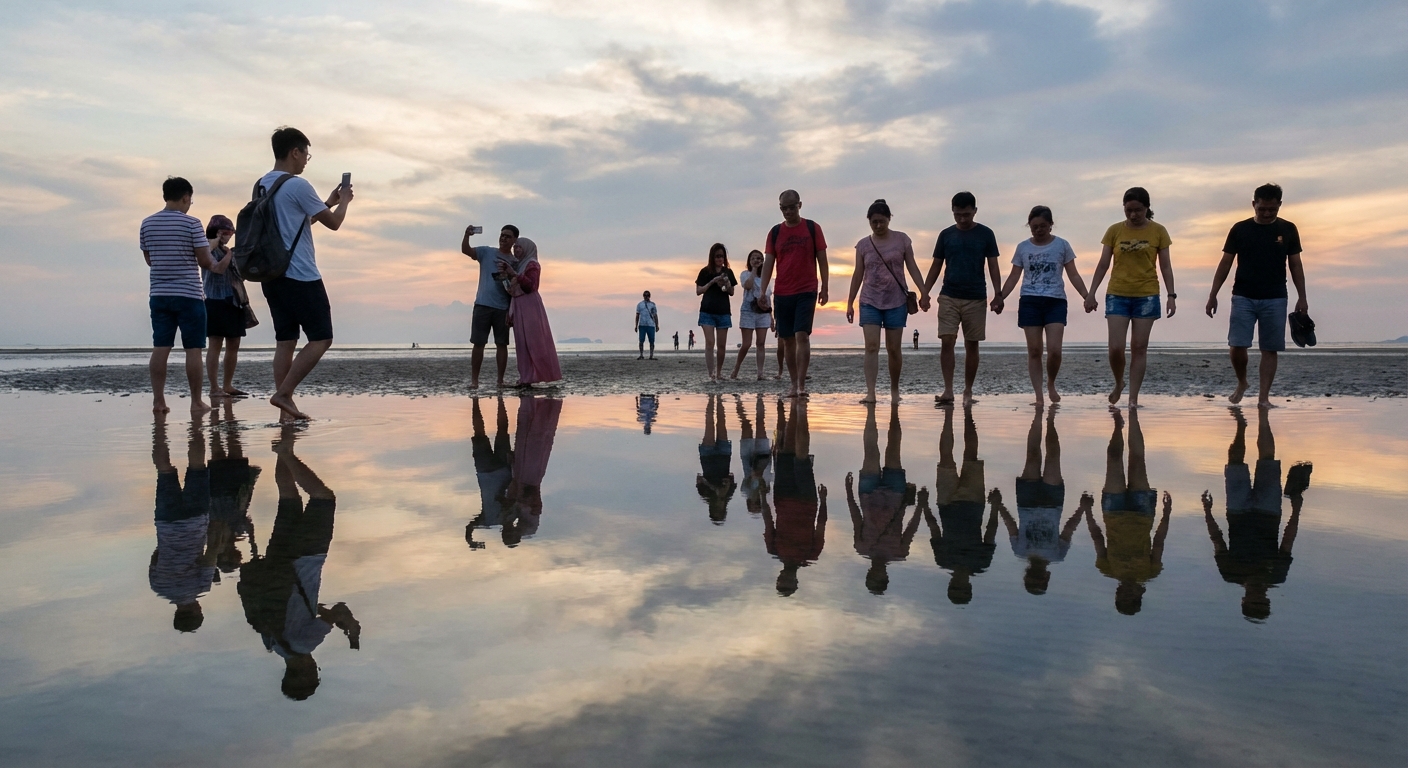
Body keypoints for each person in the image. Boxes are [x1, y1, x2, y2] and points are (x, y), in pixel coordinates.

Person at [238, 426, 359, 700]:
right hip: (278, 563)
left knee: (324, 499)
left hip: (305, 558)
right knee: (288, 498)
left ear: (308, 672)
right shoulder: (272, 642)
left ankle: (286, 453)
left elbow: (338, 610)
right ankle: (285, 437)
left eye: (314, 673)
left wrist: (351, 628)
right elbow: (304, 608)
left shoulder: (305, 644)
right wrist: (329, 617)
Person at [255, 127, 353, 421]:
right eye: (306, 154)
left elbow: (299, 222)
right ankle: (284, 394)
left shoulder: (262, 185)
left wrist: (329, 201)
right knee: (322, 338)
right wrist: (345, 201)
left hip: (271, 274)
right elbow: (334, 224)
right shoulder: (298, 185)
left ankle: (286, 411)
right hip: (300, 274)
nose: (307, 160)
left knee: (285, 341)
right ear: (294, 152)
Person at [1205, 183, 1309, 408]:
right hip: (1243, 295)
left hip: (1275, 296)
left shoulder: (1288, 229)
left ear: (1279, 205)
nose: (1267, 213)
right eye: (1262, 208)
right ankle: (1242, 382)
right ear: (1254, 204)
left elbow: (1296, 265)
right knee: (1237, 345)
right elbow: (1225, 263)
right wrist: (1213, 294)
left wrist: (1302, 297)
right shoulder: (1240, 229)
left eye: (1272, 209)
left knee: (1269, 348)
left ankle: (1264, 398)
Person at [1203, 408, 1310, 621]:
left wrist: (1207, 512)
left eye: (1254, 601)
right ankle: (1263, 418)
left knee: (1234, 461)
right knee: (1267, 459)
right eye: (1263, 601)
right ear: (1268, 600)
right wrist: (1296, 511)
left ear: (1244, 600)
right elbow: (1288, 541)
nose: (1258, 596)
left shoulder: (1230, 573)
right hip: (1269, 511)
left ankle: (1241, 427)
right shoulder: (1277, 575)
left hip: (1237, 510)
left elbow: (1217, 540)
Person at [1083, 187, 1178, 408]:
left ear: (1147, 208)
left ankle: (1133, 398)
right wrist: (1091, 292)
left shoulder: (1159, 231)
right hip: (1117, 293)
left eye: (1138, 210)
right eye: (1129, 210)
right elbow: (1104, 263)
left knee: (1139, 347)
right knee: (1116, 348)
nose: (1133, 215)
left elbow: (1165, 266)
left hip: (1146, 295)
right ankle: (1119, 382)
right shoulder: (1114, 231)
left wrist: (1171, 295)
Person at [993, 206, 1092, 407]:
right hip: (1030, 301)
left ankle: (1051, 382)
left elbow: (1073, 274)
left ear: (1050, 225)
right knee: (1035, 350)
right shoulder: (1023, 248)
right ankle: (1038, 396)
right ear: (1029, 226)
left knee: (1054, 350)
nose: (1038, 230)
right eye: (1034, 227)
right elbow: (1014, 276)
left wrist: (1086, 295)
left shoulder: (1062, 245)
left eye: (1043, 226)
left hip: (1055, 300)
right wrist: (1000, 296)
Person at [1084, 408, 1172, 615]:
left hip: (1113, 511)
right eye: (1128, 597)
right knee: (1137, 460)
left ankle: (1117, 426)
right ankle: (1134, 418)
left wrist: (1087, 512)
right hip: (1143, 512)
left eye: (1120, 596)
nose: (1124, 592)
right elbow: (1158, 542)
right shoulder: (1151, 572)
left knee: (1114, 458)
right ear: (1138, 596)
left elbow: (1097, 538)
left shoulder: (1107, 569)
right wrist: (1166, 514)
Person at [141, 176, 216, 415]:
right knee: (193, 349)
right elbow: (204, 261)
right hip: (189, 294)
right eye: (189, 201)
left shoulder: (147, 223)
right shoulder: (192, 224)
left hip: (159, 294)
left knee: (160, 347)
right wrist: (211, 249)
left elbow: (149, 260)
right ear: (186, 197)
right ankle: (196, 401)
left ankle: (159, 402)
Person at [994, 406, 1086, 595]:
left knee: (1032, 456)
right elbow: (1068, 530)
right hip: (1053, 503)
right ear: (1046, 578)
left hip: (1027, 501)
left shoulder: (1019, 551)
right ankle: (1051, 421)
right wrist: (1082, 509)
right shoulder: (1057, 555)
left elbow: (1012, 527)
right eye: (1039, 580)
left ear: (1026, 577)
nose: (1035, 576)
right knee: (1053, 458)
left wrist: (998, 505)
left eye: (1031, 579)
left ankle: (1038, 416)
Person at [921, 191, 1003, 404]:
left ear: (975, 211)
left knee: (972, 344)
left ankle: (968, 390)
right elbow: (936, 265)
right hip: (949, 295)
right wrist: (925, 292)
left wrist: (998, 294)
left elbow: (993, 265)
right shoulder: (946, 235)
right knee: (947, 341)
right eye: (958, 215)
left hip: (976, 297)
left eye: (967, 214)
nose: (963, 219)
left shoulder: (986, 234)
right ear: (953, 212)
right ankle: (948, 390)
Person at [845, 199, 928, 404]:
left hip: (896, 300)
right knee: (871, 347)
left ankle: (894, 390)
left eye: (882, 221)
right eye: (874, 222)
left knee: (893, 348)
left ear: (889, 219)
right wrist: (849, 302)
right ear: (869, 221)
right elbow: (858, 274)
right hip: (869, 300)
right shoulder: (863, 245)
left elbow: (913, 267)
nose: (878, 226)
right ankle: (871, 392)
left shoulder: (902, 240)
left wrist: (923, 291)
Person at [758, 189, 830, 399]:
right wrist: (763, 291)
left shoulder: (812, 228)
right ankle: (792, 384)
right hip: (782, 291)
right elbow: (769, 263)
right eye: (784, 208)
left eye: (792, 207)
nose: (788, 211)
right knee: (787, 339)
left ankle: (801, 384)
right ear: (780, 208)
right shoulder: (775, 233)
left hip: (806, 289)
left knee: (802, 335)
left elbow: (822, 260)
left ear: (800, 205)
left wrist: (825, 287)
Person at [846, 403, 924, 595]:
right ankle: (894, 411)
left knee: (871, 450)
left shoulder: (861, 547)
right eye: (879, 578)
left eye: (873, 577)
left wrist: (848, 492)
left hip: (868, 495)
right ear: (886, 577)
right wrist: (921, 506)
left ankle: (871, 413)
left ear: (869, 574)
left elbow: (856, 519)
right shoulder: (900, 553)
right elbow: (911, 528)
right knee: (894, 449)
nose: (877, 574)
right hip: (896, 495)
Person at [926, 404, 999, 605]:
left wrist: (924, 506)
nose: (958, 583)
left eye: (955, 587)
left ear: (950, 585)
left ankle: (948, 417)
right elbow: (990, 532)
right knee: (971, 455)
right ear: (969, 586)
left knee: (945, 458)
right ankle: (968, 415)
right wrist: (995, 507)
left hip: (946, 502)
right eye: (962, 587)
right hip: (974, 502)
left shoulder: (943, 560)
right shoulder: (981, 563)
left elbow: (934, 530)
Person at [148, 414, 214, 632]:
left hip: (196, 521)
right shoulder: (158, 587)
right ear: (176, 612)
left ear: (197, 610)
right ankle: (159, 431)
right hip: (166, 523)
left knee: (197, 467)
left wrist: (217, 531)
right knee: (164, 471)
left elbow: (210, 555)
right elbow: (156, 556)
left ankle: (197, 426)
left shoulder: (201, 587)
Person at [765, 398, 827, 596]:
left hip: (782, 498)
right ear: (796, 582)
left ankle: (795, 408)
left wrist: (762, 497)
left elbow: (768, 521)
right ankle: (802, 411)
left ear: (778, 577)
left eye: (782, 582)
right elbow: (821, 525)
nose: (785, 579)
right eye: (788, 583)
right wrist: (823, 500)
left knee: (786, 452)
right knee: (801, 458)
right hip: (807, 501)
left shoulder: (774, 550)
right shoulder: (811, 555)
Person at [462, 224, 518, 389]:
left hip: (502, 307)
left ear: (514, 240)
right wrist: (467, 235)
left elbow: (517, 286)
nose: (503, 238)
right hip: (482, 305)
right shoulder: (487, 252)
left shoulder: (515, 262)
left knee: (502, 344)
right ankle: (474, 381)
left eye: (508, 236)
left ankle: (500, 380)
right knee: (478, 343)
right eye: (502, 235)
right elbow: (466, 250)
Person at [502, 396, 562, 545]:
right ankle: (542, 409)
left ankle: (535, 408)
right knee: (536, 444)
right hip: (530, 477)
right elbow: (532, 501)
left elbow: (513, 493)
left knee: (527, 443)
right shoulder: (530, 527)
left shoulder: (517, 518)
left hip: (522, 474)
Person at [201, 214, 247, 400]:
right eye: (226, 232)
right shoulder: (208, 248)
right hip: (215, 300)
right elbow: (217, 268)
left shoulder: (226, 250)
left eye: (231, 233)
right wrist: (229, 254)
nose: (229, 236)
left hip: (233, 301)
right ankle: (214, 386)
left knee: (234, 343)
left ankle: (227, 384)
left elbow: (238, 275)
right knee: (215, 343)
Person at [504, 238, 562, 386]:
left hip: (530, 305)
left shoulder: (532, 264)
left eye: (519, 248)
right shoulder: (518, 265)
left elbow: (531, 286)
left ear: (527, 249)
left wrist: (515, 275)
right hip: (518, 303)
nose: (516, 250)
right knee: (521, 343)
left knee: (535, 342)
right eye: (515, 248)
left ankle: (546, 374)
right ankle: (526, 377)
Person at [465, 396, 513, 550]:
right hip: (497, 470)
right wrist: (471, 541)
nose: (509, 531)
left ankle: (478, 401)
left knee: (486, 432)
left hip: (488, 471)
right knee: (499, 431)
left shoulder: (490, 521)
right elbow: (469, 529)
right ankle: (497, 400)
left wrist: (471, 542)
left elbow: (469, 528)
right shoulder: (516, 513)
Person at [695, 243, 738, 382]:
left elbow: (731, 292)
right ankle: (711, 374)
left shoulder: (728, 272)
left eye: (722, 256)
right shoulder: (705, 271)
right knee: (710, 342)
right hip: (707, 310)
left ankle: (719, 372)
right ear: (712, 257)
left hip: (723, 311)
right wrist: (712, 282)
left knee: (721, 345)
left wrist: (726, 284)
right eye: (717, 256)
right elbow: (699, 291)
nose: (720, 259)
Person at [730, 250, 773, 380]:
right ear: (749, 261)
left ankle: (760, 373)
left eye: (759, 258)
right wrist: (753, 270)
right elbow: (747, 286)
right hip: (748, 310)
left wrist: (771, 316)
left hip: (763, 312)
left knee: (761, 343)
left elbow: (768, 298)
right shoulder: (745, 274)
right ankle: (736, 369)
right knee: (746, 344)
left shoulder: (766, 278)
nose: (756, 260)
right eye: (753, 258)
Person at [696, 394, 736, 524]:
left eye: (716, 511)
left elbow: (699, 477)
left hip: (707, 457)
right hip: (724, 456)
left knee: (709, 424)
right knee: (721, 423)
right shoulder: (728, 495)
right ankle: (719, 399)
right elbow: (731, 476)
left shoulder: (704, 494)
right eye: (721, 511)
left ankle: (711, 398)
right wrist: (723, 490)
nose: (719, 508)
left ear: (712, 510)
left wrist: (712, 487)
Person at [736, 394, 773, 516]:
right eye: (758, 504)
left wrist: (755, 477)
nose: (755, 501)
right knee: (760, 423)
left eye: (753, 504)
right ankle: (760, 397)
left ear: (749, 502)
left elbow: (750, 478)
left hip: (747, 458)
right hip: (763, 457)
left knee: (746, 425)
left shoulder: (745, 491)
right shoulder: (766, 490)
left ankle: (738, 401)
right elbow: (772, 476)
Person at [635, 290, 659, 360]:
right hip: (642, 324)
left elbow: (655, 315)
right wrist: (636, 325)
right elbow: (637, 315)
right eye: (645, 295)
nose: (646, 297)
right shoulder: (640, 305)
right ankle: (641, 354)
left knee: (651, 341)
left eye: (647, 295)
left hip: (651, 325)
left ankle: (651, 355)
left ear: (649, 296)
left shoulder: (652, 305)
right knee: (641, 340)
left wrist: (657, 325)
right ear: (643, 296)